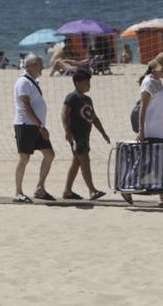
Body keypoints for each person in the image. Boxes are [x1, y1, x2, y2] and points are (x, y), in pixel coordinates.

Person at [130, 52, 163, 208]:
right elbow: (143, 107)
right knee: (150, 161)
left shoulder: (156, 81)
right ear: (158, 69)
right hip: (153, 128)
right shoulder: (148, 82)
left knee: (159, 161)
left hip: (162, 127)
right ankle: (128, 186)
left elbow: (154, 100)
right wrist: (141, 130)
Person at [61, 68, 110, 201]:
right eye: (85, 83)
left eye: (89, 82)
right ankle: (92, 190)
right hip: (76, 136)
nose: (88, 85)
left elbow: (94, 118)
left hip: (85, 136)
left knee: (77, 162)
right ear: (77, 83)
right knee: (85, 160)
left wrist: (103, 133)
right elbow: (64, 115)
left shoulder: (88, 99)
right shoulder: (72, 97)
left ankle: (67, 191)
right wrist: (67, 131)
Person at [12, 54, 55, 203]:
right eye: (40, 64)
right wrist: (40, 126)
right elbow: (26, 106)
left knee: (49, 154)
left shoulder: (31, 81)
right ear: (31, 66)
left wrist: (40, 125)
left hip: (35, 125)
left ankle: (39, 188)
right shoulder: (23, 82)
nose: (42, 67)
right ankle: (18, 192)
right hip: (25, 125)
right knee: (24, 158)